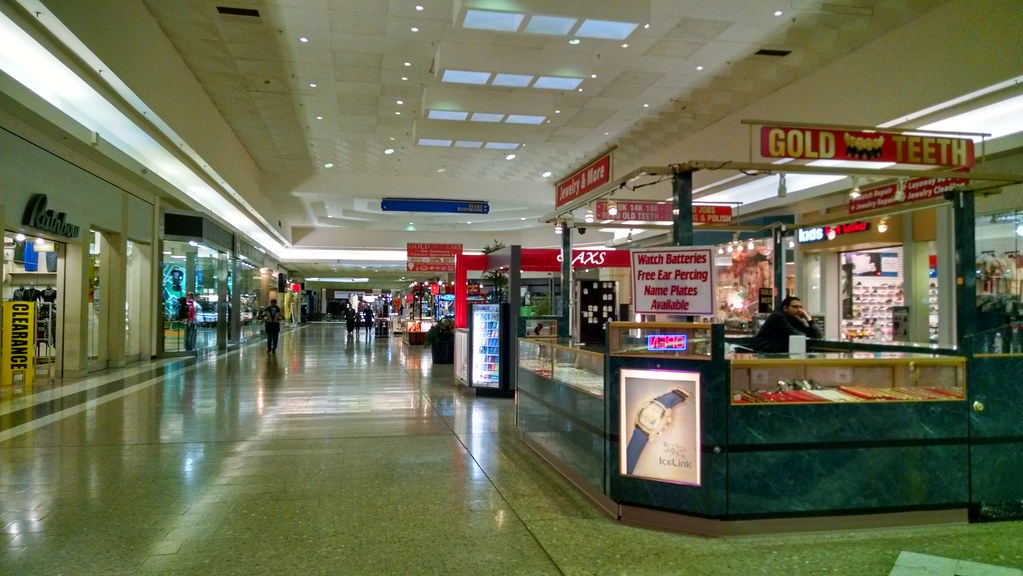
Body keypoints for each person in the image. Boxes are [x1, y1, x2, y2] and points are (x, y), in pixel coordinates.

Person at [751, 296, 822, 353]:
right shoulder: (777, 317)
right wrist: (803, 324)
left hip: (778, 354)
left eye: (800, 307)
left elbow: (818, 335)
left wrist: (809, 319)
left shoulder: (795, 319)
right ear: (785, 308)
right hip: (763, 354)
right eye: (795, 307)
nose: (799, 310)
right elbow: (797, 336)